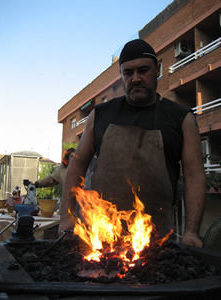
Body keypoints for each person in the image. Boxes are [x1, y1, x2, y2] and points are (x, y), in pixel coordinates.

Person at [59, 39, 206, 247]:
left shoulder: (181, 118)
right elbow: (77, 165)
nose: (135, 79)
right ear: (121, 75)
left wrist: (191, 231)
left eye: (143, 70)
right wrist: (66, 218)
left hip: (157, 241)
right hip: (100, 240)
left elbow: (194, 176)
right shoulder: (99, 115)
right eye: (128, 73)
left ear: (157, 70)